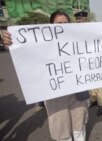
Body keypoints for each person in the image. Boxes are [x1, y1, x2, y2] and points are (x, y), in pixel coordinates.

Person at [3, 10, 88, 141]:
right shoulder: (41, 42)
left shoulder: (78, 39)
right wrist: (11, 44)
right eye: (59, 23)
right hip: (54, 95)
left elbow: (94, 48)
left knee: (79, 126)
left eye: (66, 23)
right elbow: (25, 53)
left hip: (78, 93)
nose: (63, 26)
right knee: (61, 128)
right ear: (50, 25)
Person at [74, 10, 102, 116]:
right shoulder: (74, 29)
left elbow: (101, 38)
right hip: (82, 61)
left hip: (93, 60)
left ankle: (101, 104)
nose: (79, 21)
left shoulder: (92, 28)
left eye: (81, 19)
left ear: (86, 19)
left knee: (97, 83)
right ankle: (93, 100)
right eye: (78, 19)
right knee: (88, 82)